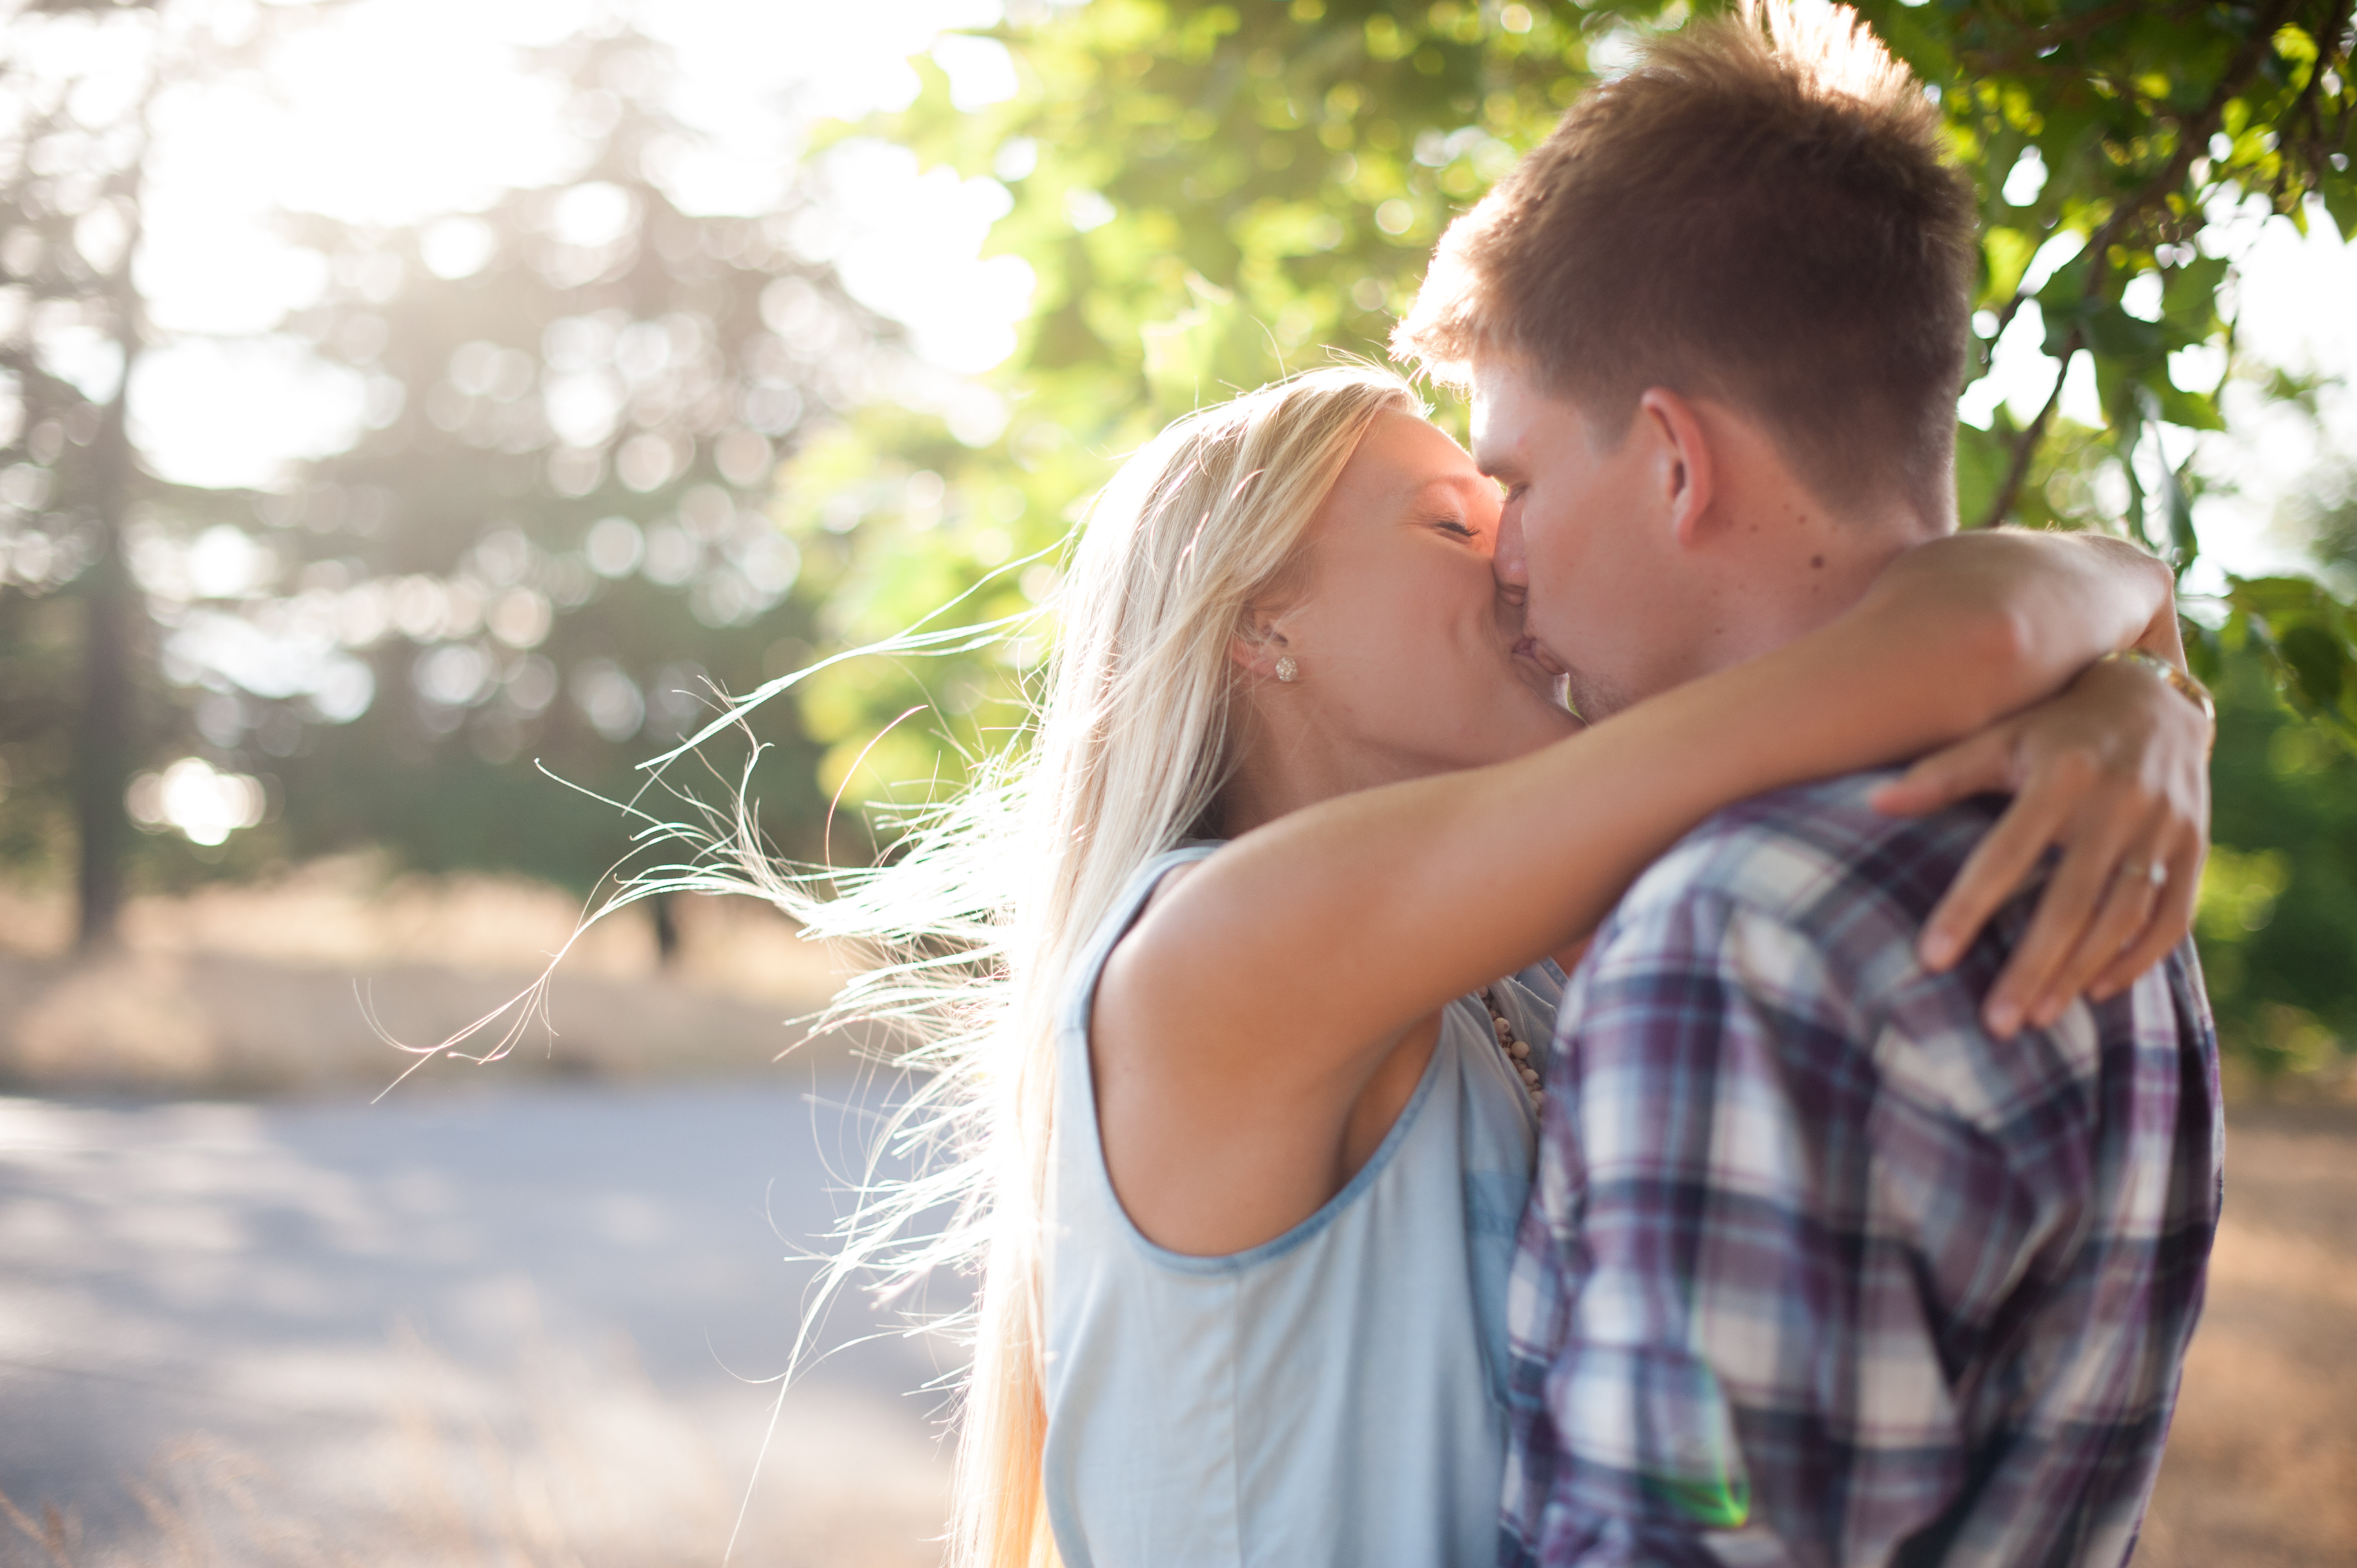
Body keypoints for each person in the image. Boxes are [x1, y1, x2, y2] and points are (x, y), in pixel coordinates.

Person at [743, 354, 2206, 1567]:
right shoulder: (1220, 945)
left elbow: (1911, 702)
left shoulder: (1503, 963)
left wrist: (2106, 709)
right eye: (1453, 525)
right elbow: (1941, 654)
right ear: (1264, 620)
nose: (1518, 560)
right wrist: (2132, 624)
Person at [1389, 3, 2221, 1564]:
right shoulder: (2114, 858)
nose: (1503, 554)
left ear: (1677, 462)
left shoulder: (1731, 937)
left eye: (1512, 479)